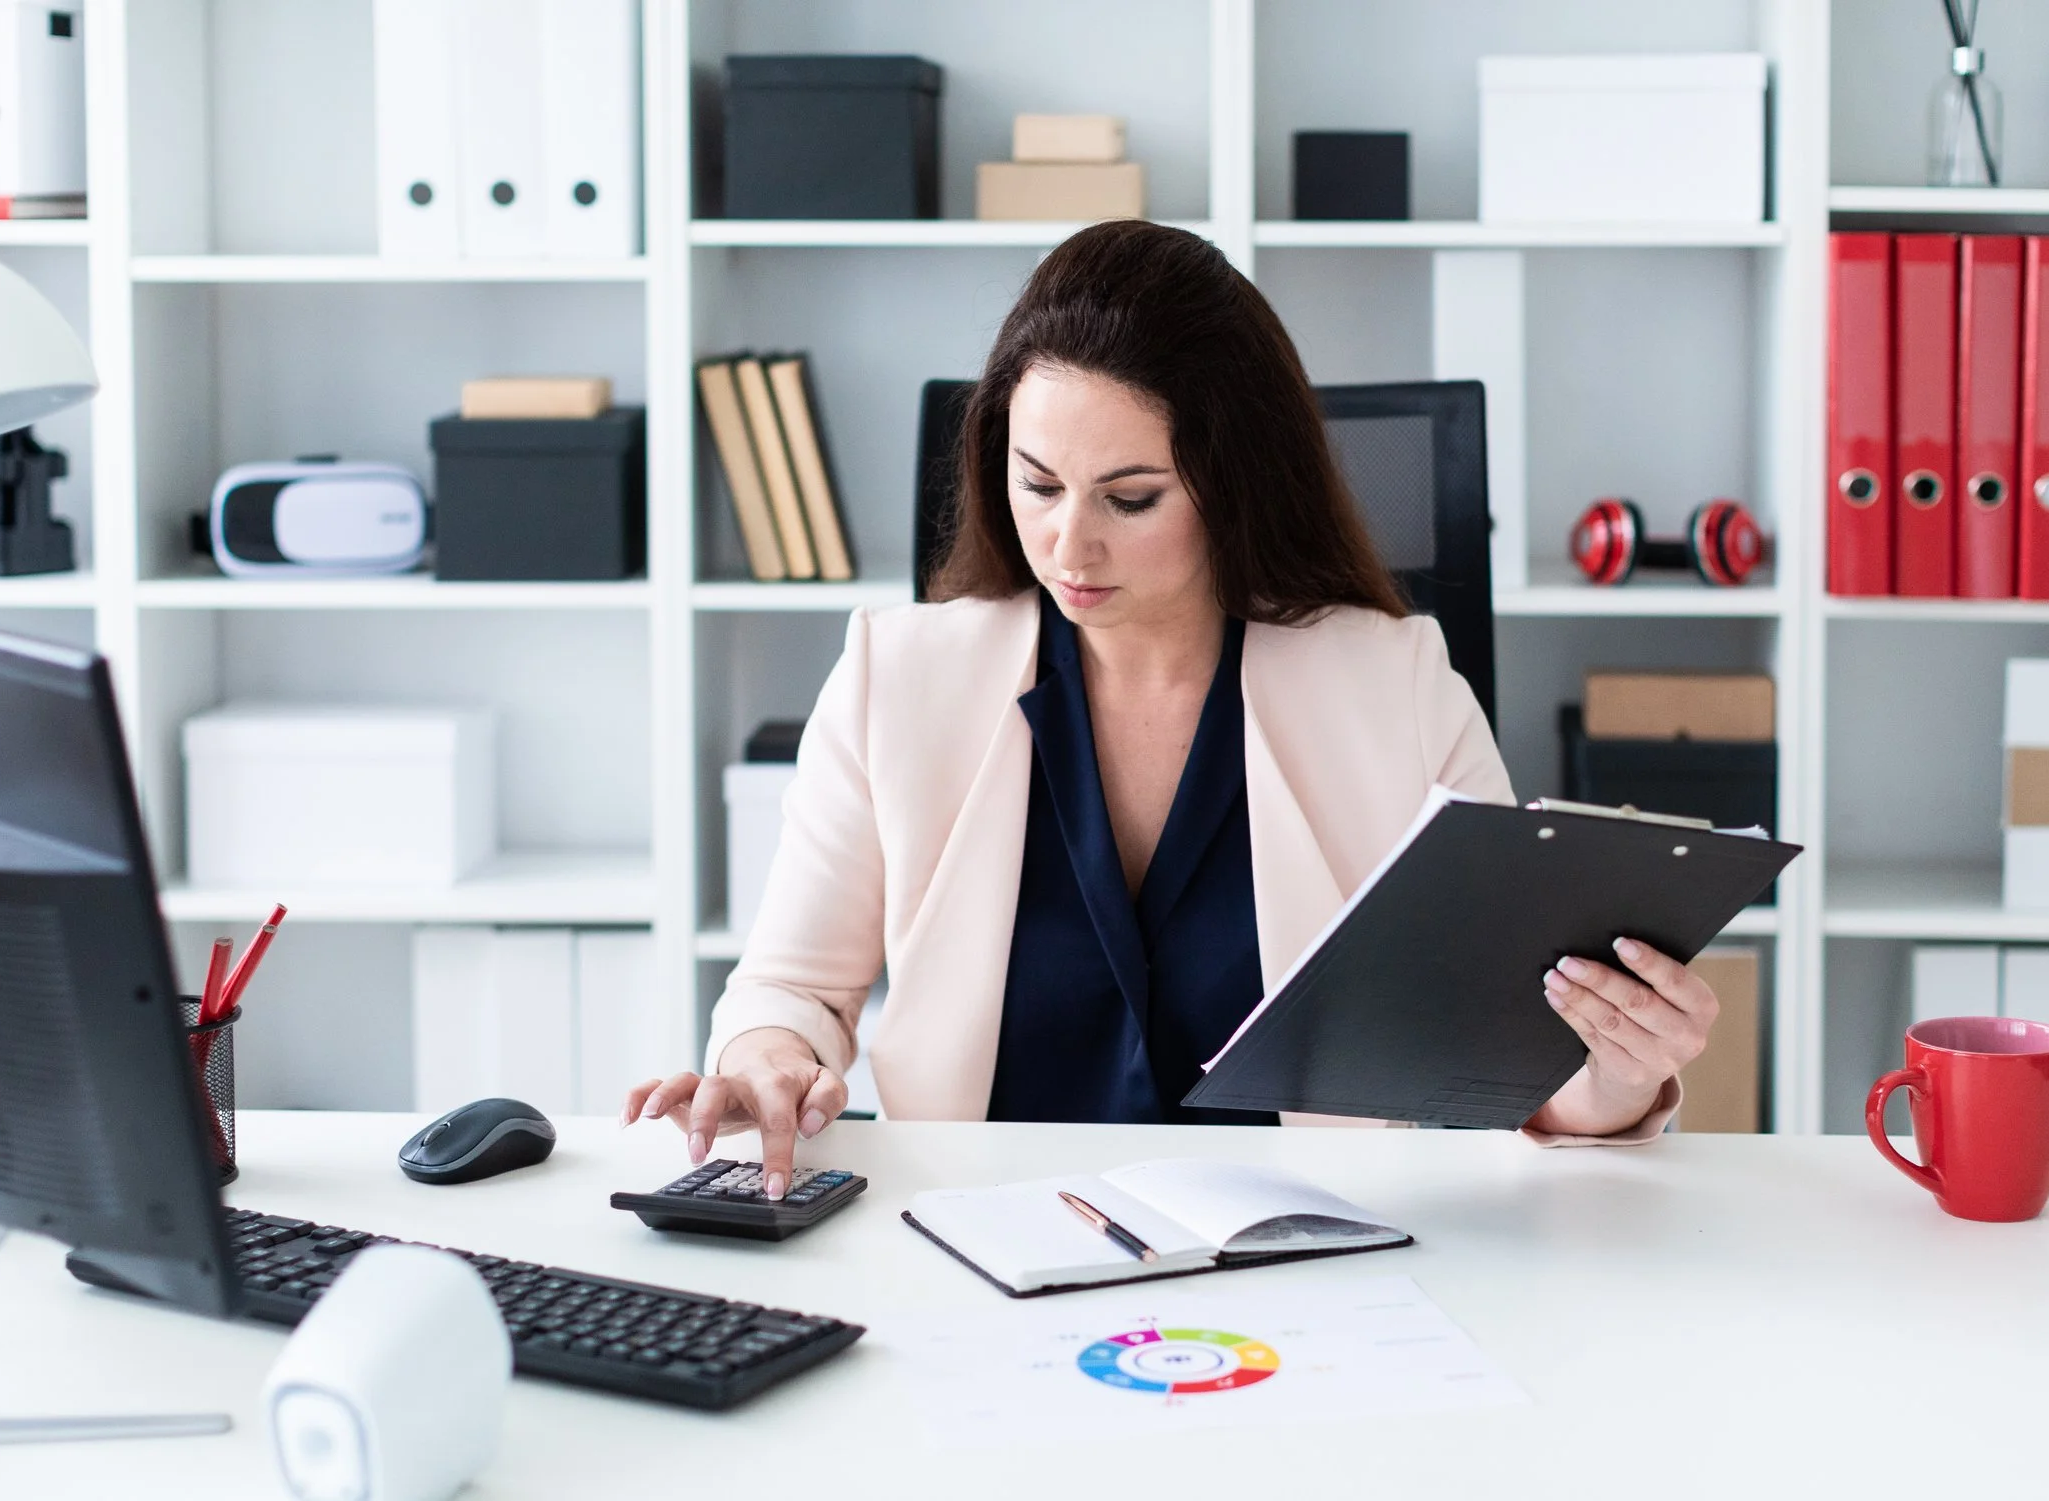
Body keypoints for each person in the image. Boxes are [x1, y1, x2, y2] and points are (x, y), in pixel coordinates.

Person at [627, 220, 1722, 1198]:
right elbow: (790, 985)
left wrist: (1620, 1074)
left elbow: (1506, 1067)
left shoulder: (1391, 682)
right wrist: (766, 1058)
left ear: (1229, 484)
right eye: (1038, 482)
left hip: (1306, 1262)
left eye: (1130, 497)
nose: (1067, 544)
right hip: (982, 1243)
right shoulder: (896, 675)